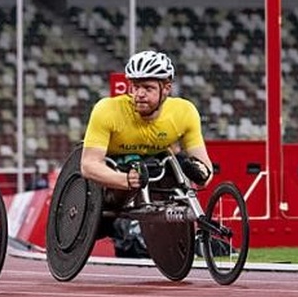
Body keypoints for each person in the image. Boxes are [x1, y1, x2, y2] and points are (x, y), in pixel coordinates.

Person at [81, 50, 213, 192]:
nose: (139, 94)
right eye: (136, 87)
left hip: (157, 164)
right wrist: (125, 180)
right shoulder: (107, 109)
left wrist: (201, 174)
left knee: (180, 169)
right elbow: (88, 165)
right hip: (116, 167)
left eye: (148, 88)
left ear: (166, 89)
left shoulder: (184, 112)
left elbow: (205, 168)